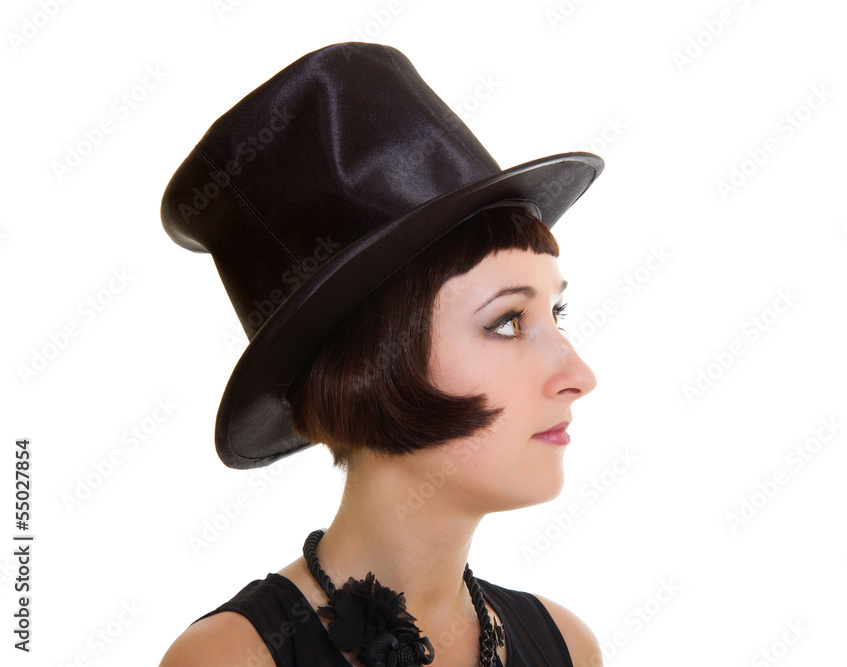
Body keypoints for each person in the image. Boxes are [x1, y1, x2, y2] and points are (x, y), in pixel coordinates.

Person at [158, 41, 605, 667]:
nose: (579, 375)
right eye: (507, 322)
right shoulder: (233, 659)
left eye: (556, 314)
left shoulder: (567, 646)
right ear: (371, 365)